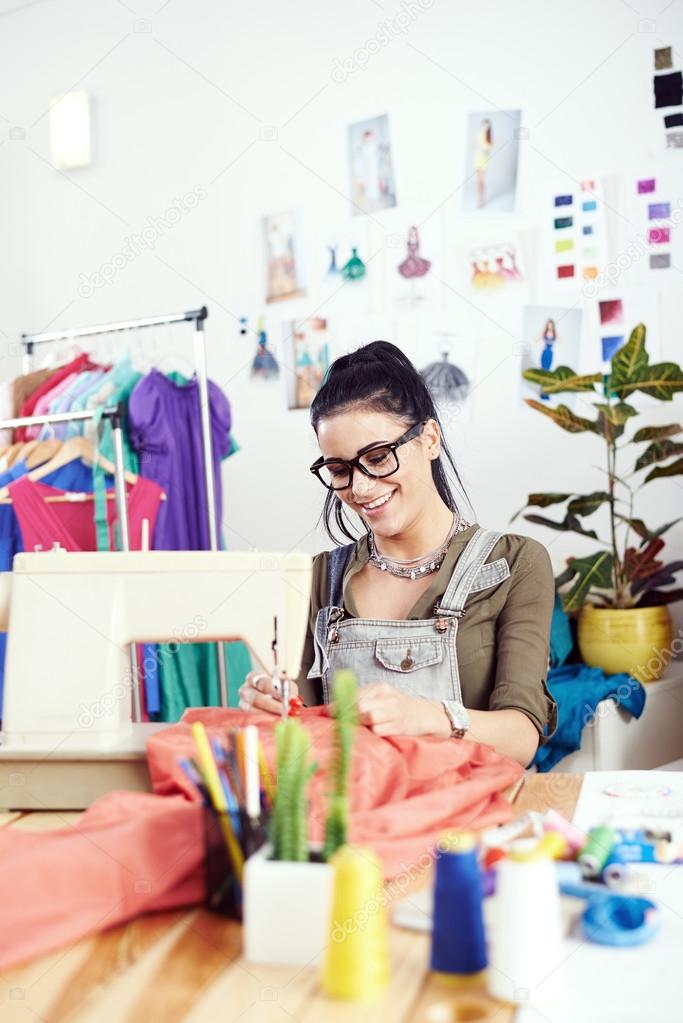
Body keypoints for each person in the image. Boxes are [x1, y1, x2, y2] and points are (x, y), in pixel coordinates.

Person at [240, 342, 557, 766]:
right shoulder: (316, 578)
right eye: (339, 469)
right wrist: (270, 705)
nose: (361, 487)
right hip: (359, 821)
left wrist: (425, 716)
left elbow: (521, 738)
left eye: (377, 457)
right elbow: (300, 726)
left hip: (474, 823)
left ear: (429, 438)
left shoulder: (514, 564)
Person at [474, 118, 493, 209]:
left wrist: (485, 150)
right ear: (482, 125)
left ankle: (483, 199)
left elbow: (488, 150)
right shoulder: (478, 136)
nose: (485, 127)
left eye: (487, 126)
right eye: (484, 125)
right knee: (478, 181)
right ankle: (479, 200)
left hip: (485, 160)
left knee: (483, 180)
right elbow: (475, 147)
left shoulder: (489, 137)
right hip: (478, 160)